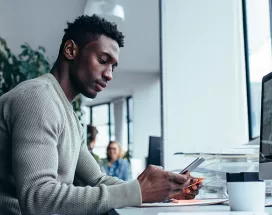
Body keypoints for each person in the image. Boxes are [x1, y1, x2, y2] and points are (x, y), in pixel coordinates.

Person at [0, 15, 202, 215]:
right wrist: (138, 191)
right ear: (71, 50)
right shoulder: (38, 98)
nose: (109, 74)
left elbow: (98, 180)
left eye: (113, 67)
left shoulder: (68, 115)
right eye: (103, 60)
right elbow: (38, 198)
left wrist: (163, 192)